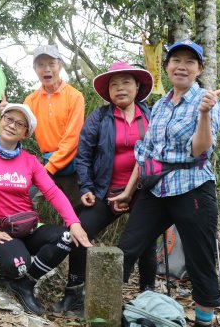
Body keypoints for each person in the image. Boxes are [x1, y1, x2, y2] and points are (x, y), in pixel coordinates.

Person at [111, 40, 220, 327]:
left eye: (189, 62)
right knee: (126, 248)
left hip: (192, 185)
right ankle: (104, 307)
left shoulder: (207, 101)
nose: (181, 66)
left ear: (199, 69)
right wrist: (127, 191)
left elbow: (199, 149)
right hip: (156, 188)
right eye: (176, 61)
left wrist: (204, 114)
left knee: (200, 257)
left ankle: (204, 321)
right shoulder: (159, 106)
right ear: (167, 66)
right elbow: (145, 152)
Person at [0, 103, 91, 315]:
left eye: (19, 124)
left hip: (28, 227)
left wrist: (74, 223)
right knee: (18, 265)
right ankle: (14, 272)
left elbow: (53, 192)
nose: (12, 125)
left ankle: (25, 284)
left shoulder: (30, 161)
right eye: (8, 119)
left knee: (67, 238)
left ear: (26, 133)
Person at [52, 62, 157, 314]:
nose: (120, 88)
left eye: (126, 82)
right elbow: (84, 154)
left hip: (144, 192)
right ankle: (74, 293)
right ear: (108, 91)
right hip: (105, 190)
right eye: (114, 84)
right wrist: (86, 187)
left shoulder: (152, 116)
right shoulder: (99, 117)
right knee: (81, 231)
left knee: (148, 242)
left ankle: (147, 298)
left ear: (137, 87)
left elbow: (159, 154)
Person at [24, 44, 84, 207]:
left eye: (51, 64)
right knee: (26, 202)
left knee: (78, 210)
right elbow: (21, 130)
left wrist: (50, 167)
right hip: (46, 162)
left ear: (60, 65)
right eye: (41, 65)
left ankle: (78, 233)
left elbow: (72, 138)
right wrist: (7, 114)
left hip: (71, 163)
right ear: (35, 69)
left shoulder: (74, 96)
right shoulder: (30, 100)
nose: (46, 69)